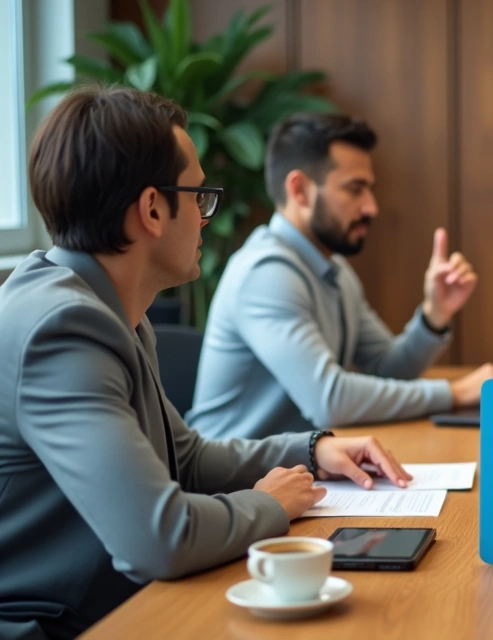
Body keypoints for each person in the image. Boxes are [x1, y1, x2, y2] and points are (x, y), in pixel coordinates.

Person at [0, 86, 412, 640]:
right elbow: (158, 538)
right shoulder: (63, 328)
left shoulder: (109, 306)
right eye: (198, 197)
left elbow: (184, 458)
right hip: (52, 624)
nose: (203, 218)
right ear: (151, 210)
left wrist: (312, 450)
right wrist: (266, 505)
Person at [187, 113, 493, 439]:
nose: (371, 207)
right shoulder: (265, 273)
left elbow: (389, 368)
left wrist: (435, 315)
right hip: (234, 484)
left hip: (297, 469)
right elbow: (330, 400)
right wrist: (454, 393)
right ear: (300, 190)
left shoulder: (333, 269)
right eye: (355, 189)